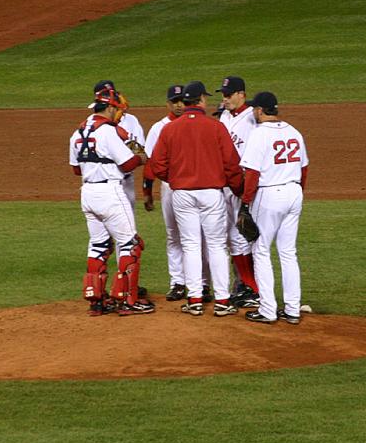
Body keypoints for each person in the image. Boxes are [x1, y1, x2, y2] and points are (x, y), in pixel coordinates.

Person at [150, 81, 243, 317]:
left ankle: (194, 299)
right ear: (200, 100)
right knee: (216, 245)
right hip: (212, 193)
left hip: (181, 194)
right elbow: (232, 164)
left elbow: (157, 165)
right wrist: (238, 189)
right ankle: (222, 300)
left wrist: (176, 179)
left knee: (189, 244)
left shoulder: (169, 129)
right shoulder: (215, 127)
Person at [69, 88, 155, 317]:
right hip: (110, 193)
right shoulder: (108, 132)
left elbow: (76, 169)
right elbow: (127, 165)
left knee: (98, 245)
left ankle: (97, 301)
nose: (118, 114)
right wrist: (140, 158)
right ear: (109, 107)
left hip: (87, 193)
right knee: (131, 244)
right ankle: (128, 300)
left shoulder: (77, 132)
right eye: (117, 110)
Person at [240, 92, 309, 325]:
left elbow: (252, 174)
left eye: (253, 109)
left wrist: (245, 203)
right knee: (288, 252)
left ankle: (268, 310)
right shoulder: (294, 132)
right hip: (294, 191)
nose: (252, 112)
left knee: (260, 250)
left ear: (260, 110)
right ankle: (292, 309)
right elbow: (304, 169)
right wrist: (298, 195)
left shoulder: (259, 135)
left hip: (269, 194)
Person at [215, 75, 260, 308]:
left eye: (229, 94)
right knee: (233, 237)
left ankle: (253, 288)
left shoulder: (253, 117)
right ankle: (245, 285)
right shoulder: (223, 115)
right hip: (225, 184)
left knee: (246, 236)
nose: (225, 98)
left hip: (244, 184)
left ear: (241, 94)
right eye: (223, 94)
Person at [143, 84, 187, 300]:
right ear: (168, 103)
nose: (179, 105)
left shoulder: (194, 124)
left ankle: (203, 284)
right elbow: (150, 162)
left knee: (200, 236)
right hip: (169, 185)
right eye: (174, 101)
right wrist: (147, 192)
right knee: (174, 235)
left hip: (194, 184)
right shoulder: (158, 127)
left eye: (182, 100)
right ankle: (178, 282)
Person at [91, 80, 145, 212]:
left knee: (127, 227)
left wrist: (130, 147)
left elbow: (140, 152)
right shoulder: (91, 125)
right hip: (101, 184)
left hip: (126, 182)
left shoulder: (131, 120)